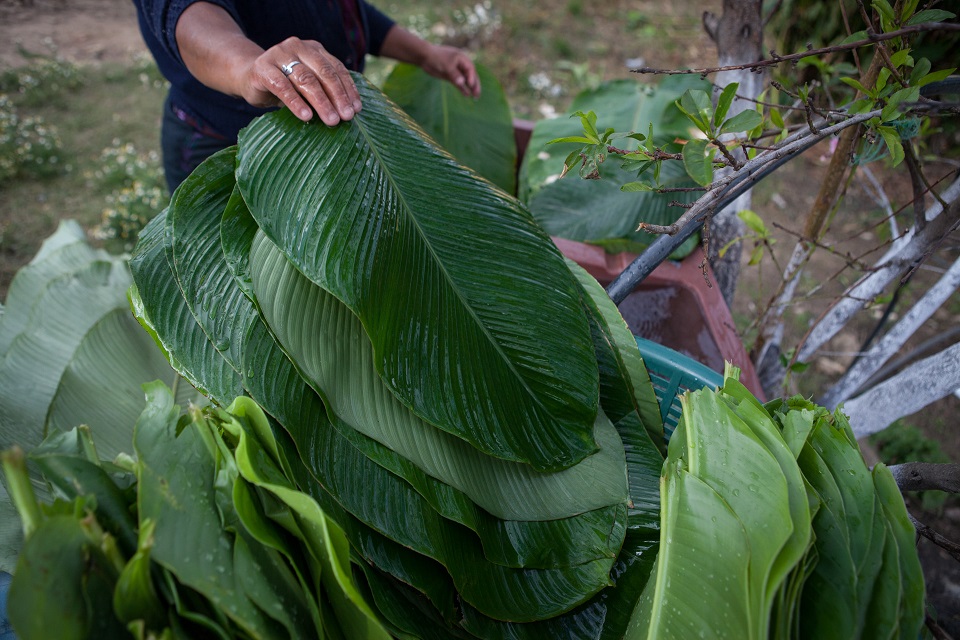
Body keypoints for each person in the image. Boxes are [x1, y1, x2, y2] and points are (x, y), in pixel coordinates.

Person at [133, 0, 481, 192]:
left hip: (323, 138)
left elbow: (343, 12)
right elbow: (188, 16)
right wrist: (249, 67)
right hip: (226, 145)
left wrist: (425, 53)